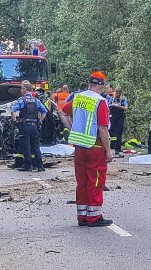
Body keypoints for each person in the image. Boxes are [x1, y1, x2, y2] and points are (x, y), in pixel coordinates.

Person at [59, 71, 113, 227]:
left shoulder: (78, 97)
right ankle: (94, 217)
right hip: (95, 145)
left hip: (79, 145)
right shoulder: (100, 101)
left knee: (81, 180)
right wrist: (108, 150)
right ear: (101, 85)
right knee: (95, 180)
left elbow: (62, 112)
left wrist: (72, 128)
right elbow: (103, 128)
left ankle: (82, 215)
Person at [11, 80, 47, 172]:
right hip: (35, 125)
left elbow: (13, 110)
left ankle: (28, 166)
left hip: (25, 125)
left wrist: (15, 121)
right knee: (36, 146)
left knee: (26, 146)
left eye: (21, 89)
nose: (21, 91)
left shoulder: (22, 100)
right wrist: (39, 121)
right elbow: (44, 112)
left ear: (24, 89)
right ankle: (40, 166)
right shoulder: (36, 101)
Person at [108, 86, 128, 156]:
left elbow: (126, 108)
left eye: (118, 92)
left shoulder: (123, 99)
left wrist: (118, 106)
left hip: (120, 117)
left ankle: (117, 149)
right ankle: (110, 147)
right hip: (112, 116)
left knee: (118, 132)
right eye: (116, 92)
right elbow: (108, 105)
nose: (116, 94)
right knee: (111, 131)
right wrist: (112, 105)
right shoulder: (111, 98)